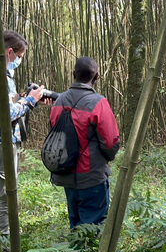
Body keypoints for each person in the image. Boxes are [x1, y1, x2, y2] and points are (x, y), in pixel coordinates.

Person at [49, 57, 120, 229]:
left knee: (76, 226)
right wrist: (108, 157)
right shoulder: (98, 103)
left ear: (73, 74)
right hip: (91, 177)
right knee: (92, 228)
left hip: (65, 172)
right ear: (97, 77)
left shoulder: (59, 101)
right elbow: (110, 142)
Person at [1, 30, 46, 238]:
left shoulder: (7, 76)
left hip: (8, 142)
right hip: (3, 144)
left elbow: (8, 103)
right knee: (4, 195)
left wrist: (26, 97)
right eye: (19, 57)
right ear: (10, 52)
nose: (19, 61)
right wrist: (29, 100)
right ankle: (5, 239)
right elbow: (6, 114)